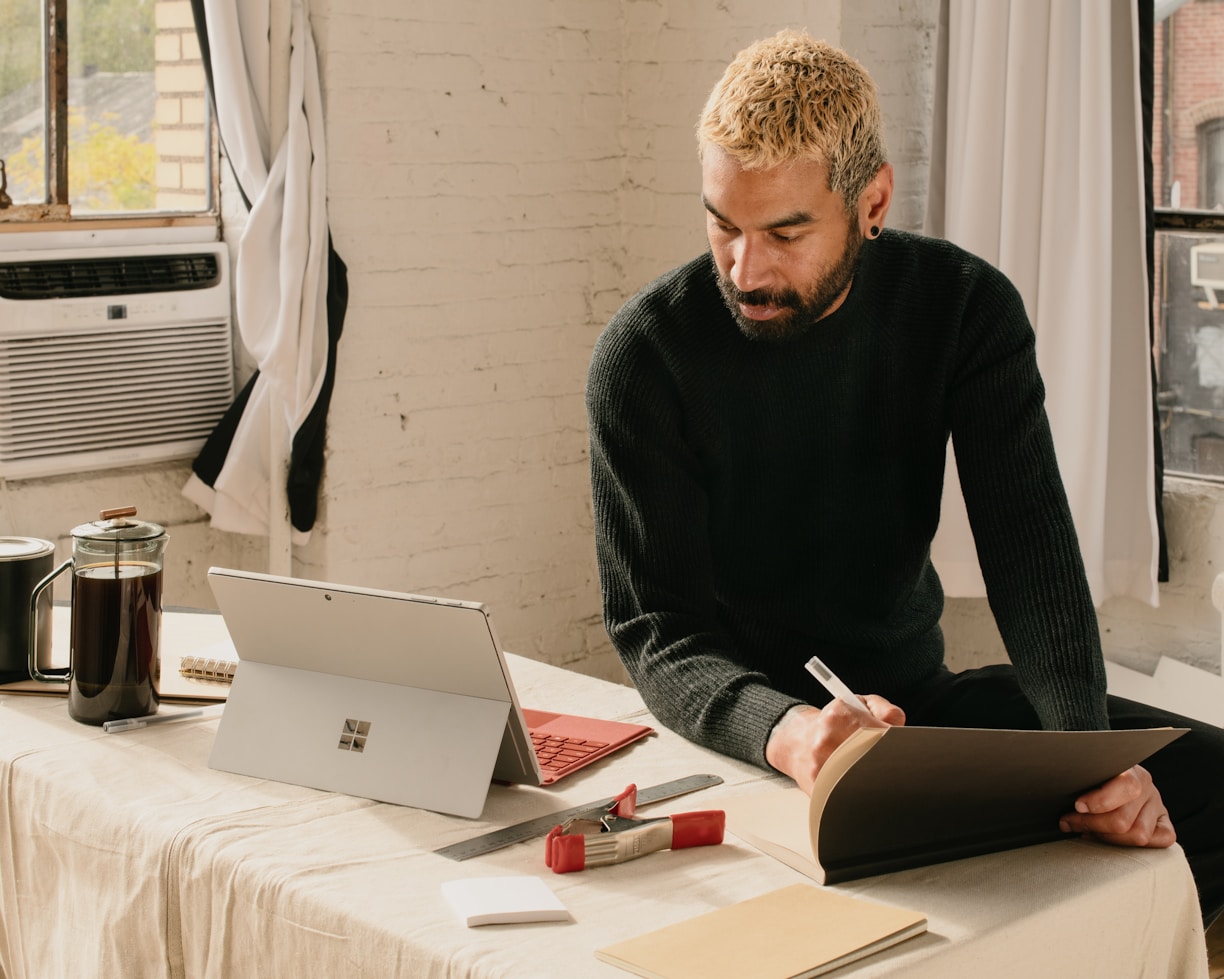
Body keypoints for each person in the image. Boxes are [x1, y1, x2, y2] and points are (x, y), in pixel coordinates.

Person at [585, 29, 1224, 926]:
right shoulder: (644, 357)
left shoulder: (963, 307)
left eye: (786, 231)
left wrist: (1094, 762)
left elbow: (1030, 554)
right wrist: (795, 733)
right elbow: (657, 630)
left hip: (918, 715)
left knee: (1196, 783)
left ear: (872, 200)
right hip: (744, 732)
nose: (745, 268)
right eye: (723, 224)